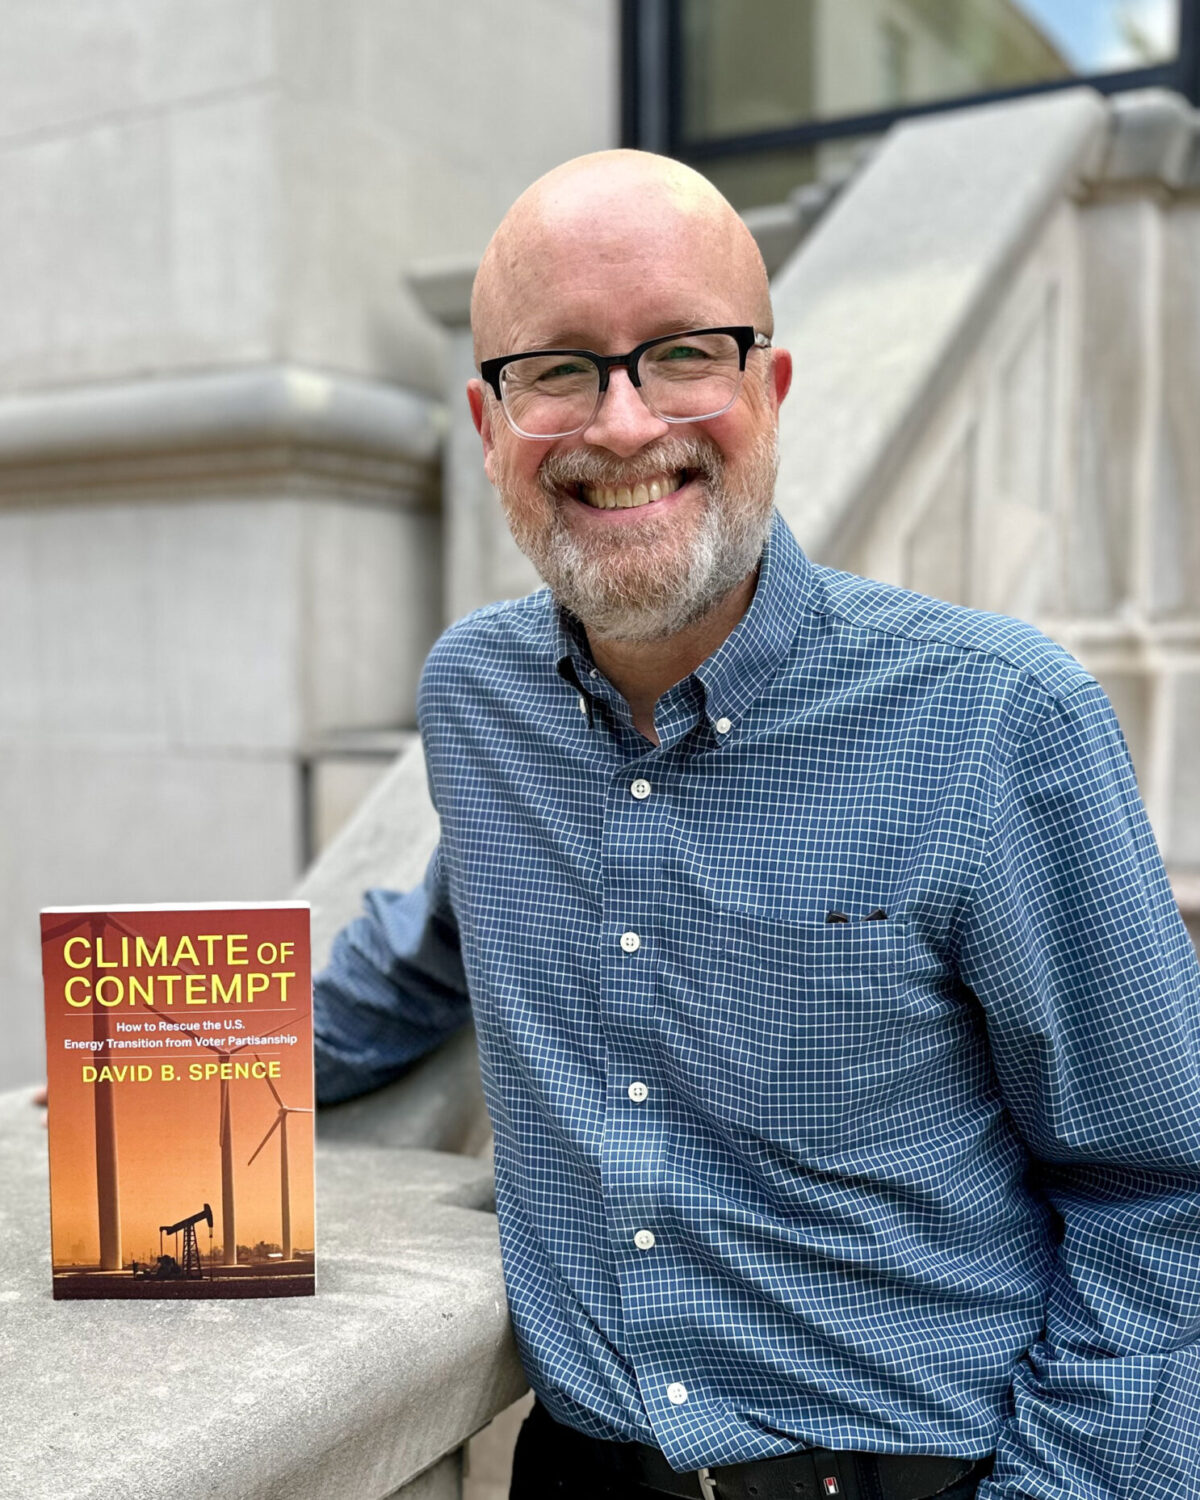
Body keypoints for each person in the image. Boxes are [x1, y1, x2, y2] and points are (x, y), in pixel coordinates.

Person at [314, 151, 1200, 1500]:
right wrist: (144, 1062)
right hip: (585, 1472)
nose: (620, 426)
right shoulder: (478, 702)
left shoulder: (1002, 722)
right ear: (489, 427)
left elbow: (1163, 1193)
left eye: (680, 353)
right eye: (556, 369)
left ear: (768, 392)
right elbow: (419, 963)